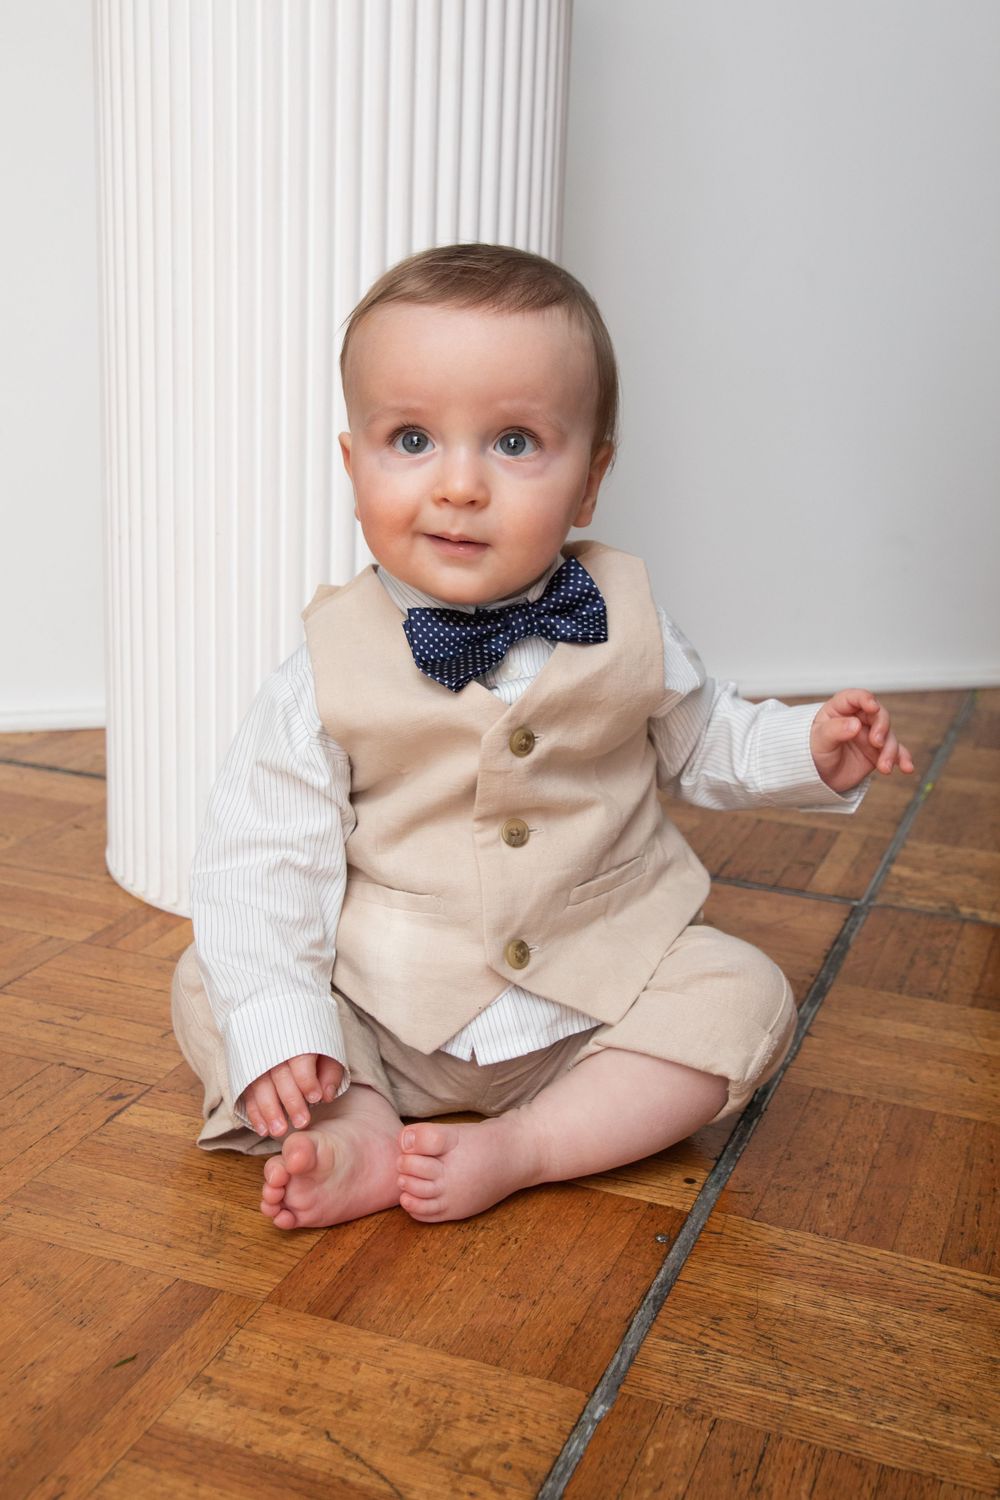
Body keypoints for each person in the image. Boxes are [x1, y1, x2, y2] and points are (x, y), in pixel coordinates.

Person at [171, 243, 913, 1231]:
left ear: (590, 480)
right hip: (392, 1011)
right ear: (352, 466)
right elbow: (262, 855)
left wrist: (807, 752)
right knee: (215, 980)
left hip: (595, 1004)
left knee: (745, 993)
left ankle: (532, 1145)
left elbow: (704, 740)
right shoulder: (325, 666)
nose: (460, 485)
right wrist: (284, 1026)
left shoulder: (625, 616)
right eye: (411, 439)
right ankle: (360, 1122)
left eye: (514, 442)